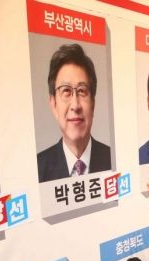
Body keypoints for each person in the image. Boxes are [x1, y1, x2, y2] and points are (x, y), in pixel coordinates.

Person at [37, 44, 112, 182]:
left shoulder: (115, 160)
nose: (75, 105)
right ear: (53, 104)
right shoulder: (37, 171)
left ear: (93, 104)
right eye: (66, 91)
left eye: (82, 91)